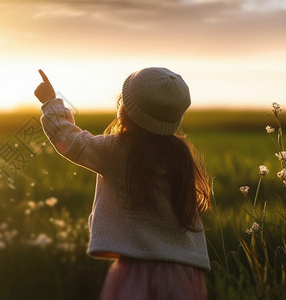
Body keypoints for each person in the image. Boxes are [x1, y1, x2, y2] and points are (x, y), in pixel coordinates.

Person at [34, 68, 211, 300]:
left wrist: (50, 102)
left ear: (126, 110)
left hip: (137, 269)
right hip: (184, 271)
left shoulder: (117, 150)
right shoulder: (180, 155)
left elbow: (69, 140)